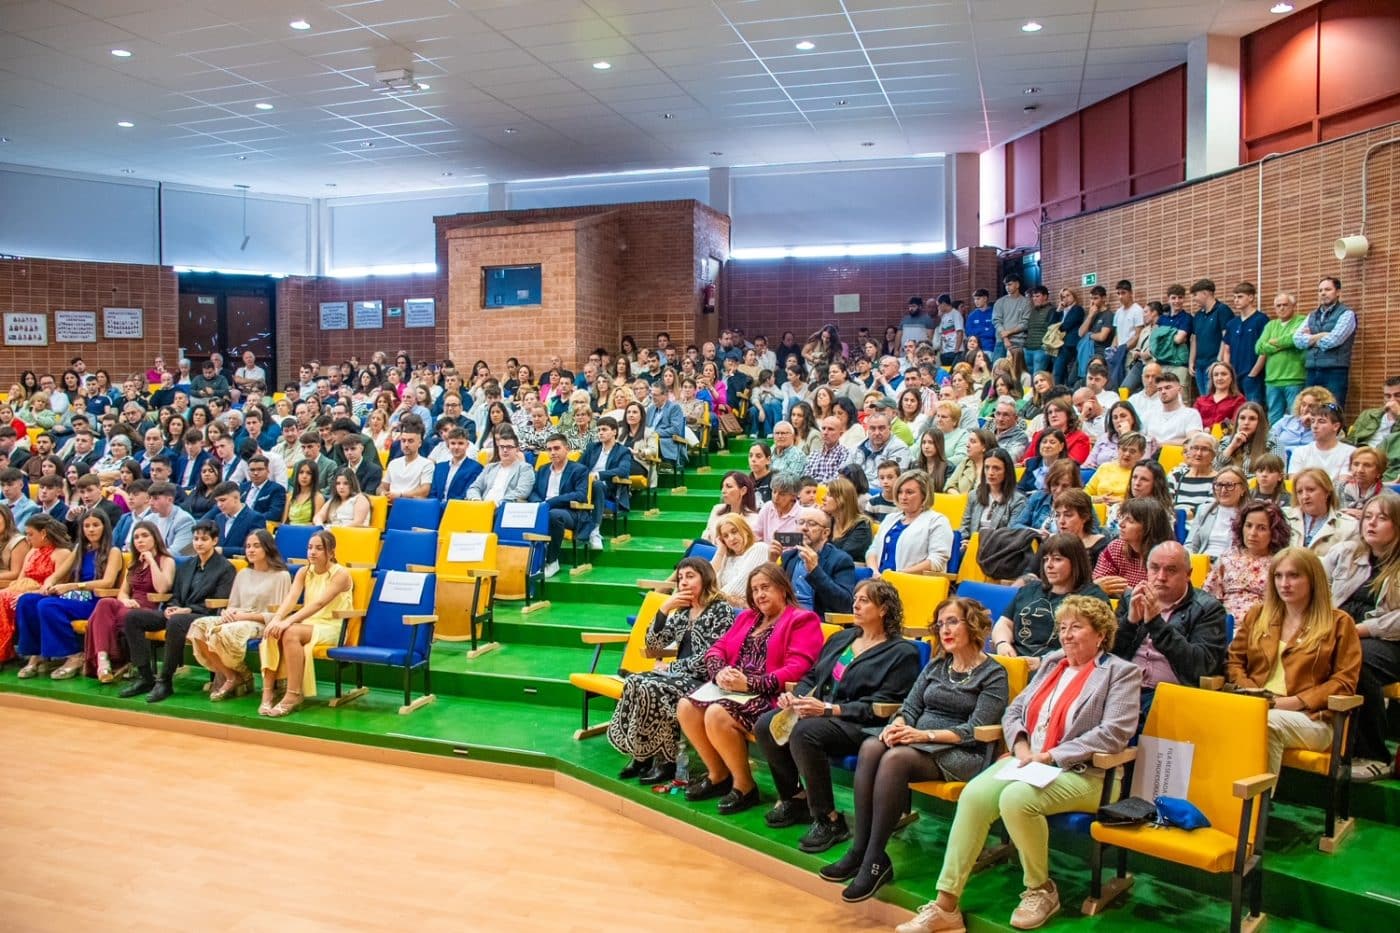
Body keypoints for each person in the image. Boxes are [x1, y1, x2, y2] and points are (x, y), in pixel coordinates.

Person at [902, 596, 1141, 933]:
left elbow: (1113, 733)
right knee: (973, 796)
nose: (1067, 635)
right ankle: (946, 905)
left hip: (1087, 774)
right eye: (1063, 628)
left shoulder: (1121, 672)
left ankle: (1041, 889)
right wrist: (1022, 745)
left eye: (1077, 627)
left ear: (1101, 634)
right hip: (1028, 761)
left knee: (1016, 799)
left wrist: (1051, 756)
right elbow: (1014, 711)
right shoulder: (1052, 662)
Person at [758, 578, 922, 856]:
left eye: (865, 600)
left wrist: (829, 710)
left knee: (805, 732)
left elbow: (884, 705)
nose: (856, 604)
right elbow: (813, 675)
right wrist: (795, 696)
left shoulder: (901, 652)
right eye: (855, 598)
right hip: (820, 713)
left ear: (883, 609)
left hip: (862, 725)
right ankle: (794, 798)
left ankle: (829, 819)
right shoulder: (843, 637)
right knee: (765, 725)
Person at [678, 563, 823, 815]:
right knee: (686, 706)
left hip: (772, 697)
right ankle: (718, 775)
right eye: (755, 590)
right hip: (734, 690)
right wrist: (720, 670)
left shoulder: (802, 620)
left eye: (765, 588)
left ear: (782, 589)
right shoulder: (747, 617)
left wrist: (750, 683)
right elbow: (717, 649)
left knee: (716, 713)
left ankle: (744, 786)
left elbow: (797, 669)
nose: (759, 595)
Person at [1227, 547, 1360, 776]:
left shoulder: (1339, 623)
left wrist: (1296, 702)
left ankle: (1254, 809)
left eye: (1294, 575)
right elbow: (1234, 663)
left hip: (1312, 719)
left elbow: (1345, 681)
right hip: (1255, 705)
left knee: (1264, 724)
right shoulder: (1258, 615)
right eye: (1278, 576)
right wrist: (1254, 695)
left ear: (1313, 579)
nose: (1284, 583)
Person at [609, 557, 738, 783]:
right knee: (634, 681)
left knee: (653, 686)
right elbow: (654, 644)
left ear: (705, 577)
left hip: (706, 679)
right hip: (678, 676)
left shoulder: (720, 609)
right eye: (680, 578)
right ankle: (642, 754)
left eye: (690, 576)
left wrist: (672, 666)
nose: (684, 582)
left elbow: (712, 656)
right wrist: (664, 608)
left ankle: (665, 761)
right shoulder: (681, 611)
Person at [1323, 492, 1400, 780]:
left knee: (1358, 659)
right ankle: (1329, 741)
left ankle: (1374, 754)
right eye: (1368, 517)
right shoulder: (1345, 553)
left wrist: (1359, 630)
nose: (1372, 523)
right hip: (1340, 633)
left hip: (1388, 642)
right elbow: (1314, 581)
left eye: (1382, 518)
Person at [1113, 541, 1228, 717]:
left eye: (1171, 570)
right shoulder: (1131, 599)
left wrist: (1156, 624)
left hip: (1170, 696)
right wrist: (1129, 623)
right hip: (1123, 688)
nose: (1161, 577)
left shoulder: (1207, 609)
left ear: (1188, 574)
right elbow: (1107, 656)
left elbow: (1202, 668)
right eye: (1154, 568)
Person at [12, 511, 121, 679]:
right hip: (73, 597)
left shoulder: (113, 551)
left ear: (105, 527)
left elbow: (108, 582)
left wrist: (72, 586)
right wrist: (48, 585)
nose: (91, 530)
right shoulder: (79, 549)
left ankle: (73, 655)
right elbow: (57, 575)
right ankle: (37, 654)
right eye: (87, 526)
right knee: (27, 600)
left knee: (47, 605)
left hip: (94, 600)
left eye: (95, 525)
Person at [258, 529, 354, 717]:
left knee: (290, 631)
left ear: (331, 553)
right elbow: (291, 598)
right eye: (310, 547)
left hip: (333, 626)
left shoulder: (341, 574)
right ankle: (268, 692)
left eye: (319, 548)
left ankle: (293, 694)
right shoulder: (304, 571)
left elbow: (319, 603)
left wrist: (289, 622)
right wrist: (277, 619)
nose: (312, 552)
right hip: (308, 624)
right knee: (272, 631)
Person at [80, 519, 175, 682]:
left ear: (155, 538)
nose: (140, 540)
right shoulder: (134, 564)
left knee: (99, 618)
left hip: (149, 610)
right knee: (104, 603)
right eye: (136, 537)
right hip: (129, 606)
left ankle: (107, 661)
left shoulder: (166, 561)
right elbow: (123, 592)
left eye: (145, 536)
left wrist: (151, 561)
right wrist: (125, 601)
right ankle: (103, 662)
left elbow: (162, 589)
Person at [993, 534, 1108, 668]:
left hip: (1061, 666)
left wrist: (1044, 661)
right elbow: (1004, 623)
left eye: (1057, 559)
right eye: (1046, 559)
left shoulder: (1092, 597)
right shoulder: (1030, 589)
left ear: (1075, 562)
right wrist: (1002, 644)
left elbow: (1091, 643)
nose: (1049, 565)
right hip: (1014, 662)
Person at [1204, 499, 1289, 624]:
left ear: (1274, 532)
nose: (1252, 533)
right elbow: (1208, 598)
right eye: (1248, 526)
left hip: (1265, 625)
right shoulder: (1227, 558)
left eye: (1262, 528)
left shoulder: (1281, 563)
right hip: (1222, 626)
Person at [4, 517, 74, 668]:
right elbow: (20, 579)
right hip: (23, 589)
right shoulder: (32, 552)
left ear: (43, 533)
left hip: (48, 593)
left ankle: (7, 653)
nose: (27, 539)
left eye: (30, 534)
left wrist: (30, 592)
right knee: (5, 596)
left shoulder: (63, 553)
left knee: (23, 600)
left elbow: (59, 584)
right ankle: (7, 652)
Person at [531, 433, 594, 578]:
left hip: (570, 512)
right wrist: (538, 504)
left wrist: (551, 502)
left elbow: (580, 495)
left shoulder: (579, 469)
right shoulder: (542, 469)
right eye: (549, 449)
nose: (552, 452)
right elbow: (533, 492)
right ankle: (529, 562)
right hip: (542, 509)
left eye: (556, 448)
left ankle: (552, 561)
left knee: (554, 515)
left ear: (567, 449)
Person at [868, 471, 954, 574]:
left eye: (909, 492)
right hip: (878, 581)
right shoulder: (890, 518)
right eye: (900, 492)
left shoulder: (937, 521)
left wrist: (899, 575)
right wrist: (874, 572)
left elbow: (937, 562)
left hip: (911, 582)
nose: (903, 497)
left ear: (924, 495)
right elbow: (872, 550)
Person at [779, 506, 855, 616]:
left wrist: (815, 571)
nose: (804, 528)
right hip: (785, 616)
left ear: (825, 533)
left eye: (812, 523)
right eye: (800, 522)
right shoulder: (788, 557)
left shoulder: (841, 560)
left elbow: (844, 605)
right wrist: (772, 561)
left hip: (814, 620)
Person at [1292, 276, 1356, 407]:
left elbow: (1333, 340)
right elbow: (1297, 340)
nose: (1323, 293)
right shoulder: (1312, 315)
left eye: (1327, 289)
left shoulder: (1347, 314)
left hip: (1335, 371)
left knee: (1333, 410)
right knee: (1310, 410)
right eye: (1320, 290)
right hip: (1312, 370)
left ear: (1338, 292)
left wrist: (1309, 339)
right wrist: (1320, 335)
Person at [1095, 497, 1175, 598]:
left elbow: (1163, 596)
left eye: (1130, 521)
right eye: (1122, 517)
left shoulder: (1168, 556)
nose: (1121, 524)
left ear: (1148, 527)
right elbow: (1099, 585)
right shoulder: (1115, 547)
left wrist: (1127, 592)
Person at [1256, 291, 1308, 424]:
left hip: (1294, 379)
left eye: (1285, 304)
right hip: (1272, 380)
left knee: (1296, 417)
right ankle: (1275, 445)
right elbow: (1259, 347)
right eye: (1278, 306)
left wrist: (1274, 342)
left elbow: (1294, 339)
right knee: (1274, 419)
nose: (1281, 308)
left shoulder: (1302, 321)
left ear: (1293, 305)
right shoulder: (1270, 325)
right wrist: (1282, 344)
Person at [1287, 467, 1356, 560]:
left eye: (1311, 490)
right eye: (1299, 492)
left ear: (1327, 492)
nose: (1304, 496)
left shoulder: (1349, 527)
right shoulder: (1284, 519)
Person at [960, 448, 1025, 542]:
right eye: (987, 467)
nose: (990, 473)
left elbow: (1010, 535)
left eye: (996, 468)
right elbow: (964, 526)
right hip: (969, 547)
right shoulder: (974, 495)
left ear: (1007, 471)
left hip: (997, 550)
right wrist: (965, 541)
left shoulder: (1018, 501)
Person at [1184, 466, 1250, 558]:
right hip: (1202, 562)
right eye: (1219, 485)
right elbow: (1190, 545)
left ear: (1243, 489)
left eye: (1229, 485)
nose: (1223, 490)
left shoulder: (1249, 514)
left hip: (1232, 564)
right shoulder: (1204, 510)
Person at [710, 514, 771, 606]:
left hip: (747, 610)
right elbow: (707, 579)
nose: (731, 538)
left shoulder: (760, 548)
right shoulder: (726, 556)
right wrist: (720, 552)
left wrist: (709, 599)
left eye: (734, 532)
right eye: (726, 536)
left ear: (745, 530)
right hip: (722, 606)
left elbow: (740, 587)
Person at [466, 429, 534, 503]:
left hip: (505, 508)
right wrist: (476, 500)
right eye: (502, 447)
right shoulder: (490, 467)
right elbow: (474, 487)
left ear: (517, 449)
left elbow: (522, 492)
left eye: (509, 447)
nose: (505, 450)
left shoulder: (525, 468)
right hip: (483, 507)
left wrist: (499, 504)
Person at [1288, 403, 1355, 477]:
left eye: (1321, 421)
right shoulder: (1299, 452)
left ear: (1336, 426)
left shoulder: (1350, 453)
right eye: (1313, 421)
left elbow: (1343, 484)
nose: (1315, 426)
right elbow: (1294, 482)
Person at [821, 475, 873, 564]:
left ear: (842, 499)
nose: (823, 498)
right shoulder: (829, 521)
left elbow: (842, 557)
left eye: (829, 495)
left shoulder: (861, 525)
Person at [1084, 432, 1146, 507]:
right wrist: (1098, 499)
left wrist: (1124, 503)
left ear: (1142, 454)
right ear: (1118, 449)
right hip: (1097, 511)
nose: (1127, 454)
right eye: (1124, 449)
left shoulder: (1142, 473)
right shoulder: (1105, 467)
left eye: (1132, 451)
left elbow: (1145, 504)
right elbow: (1083, 496)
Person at [1143, 372, 1203, 446]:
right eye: (1159, 389)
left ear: (1179, 389)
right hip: (1150, 455)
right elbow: (1140, 439)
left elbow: (1192, 441)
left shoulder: (1191, 414)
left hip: (1177, 456)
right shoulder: (1149, 414)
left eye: (1168, 388)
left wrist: (1161, 444)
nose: (1163, 392)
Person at [1169, 432, 1219, 519]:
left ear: (1213, 455)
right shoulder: (1176, 475)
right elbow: (1165, 503)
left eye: (1205, 449)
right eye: (1195, 448)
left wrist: (1182, 515)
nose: (1198, 453)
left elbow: (1209, 509)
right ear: (1188, 452)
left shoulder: (1218, 480)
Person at [701, 471, 760, 544]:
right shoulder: (717, 509)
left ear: (743, 490)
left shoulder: (754, 519)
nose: (723, 491)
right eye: (722, 487)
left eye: (729, 486)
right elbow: (705, 538)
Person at [1195, 361, 1246, 430]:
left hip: (1225, 438)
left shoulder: (1239, 400)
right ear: (1212, 379)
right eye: (1216, 375)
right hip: (1200, 437)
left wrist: (1211, 430)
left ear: (1231, 378)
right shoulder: (1200, 401)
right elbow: (1192, 422)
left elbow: (1235, 423)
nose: (1219, 378)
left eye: (1224, 374)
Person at [1340, 447, 1387, 518]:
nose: (1360, 470)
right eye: (1356, 464)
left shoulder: (1388, 498)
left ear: (1379, 471)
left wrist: (1366, 516)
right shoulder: (1336, 490)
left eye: (1367, 465)